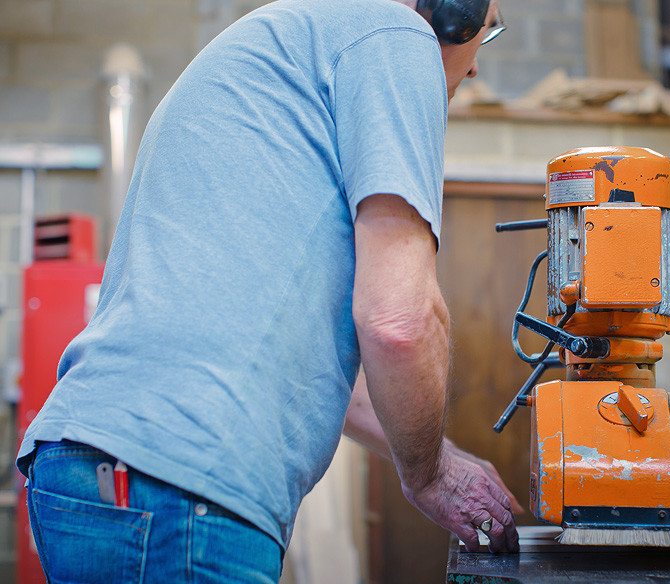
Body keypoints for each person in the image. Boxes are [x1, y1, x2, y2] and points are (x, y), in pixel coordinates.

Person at [16, 0, 520, 581]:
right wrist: (429, 476)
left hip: (93, 468)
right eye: (490, 25)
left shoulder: (292, 42)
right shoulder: (395, 33)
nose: (478, 64)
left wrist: (443, 456)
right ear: (451, 11)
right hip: (180, 486)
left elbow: (337, 371)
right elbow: (400, 322)